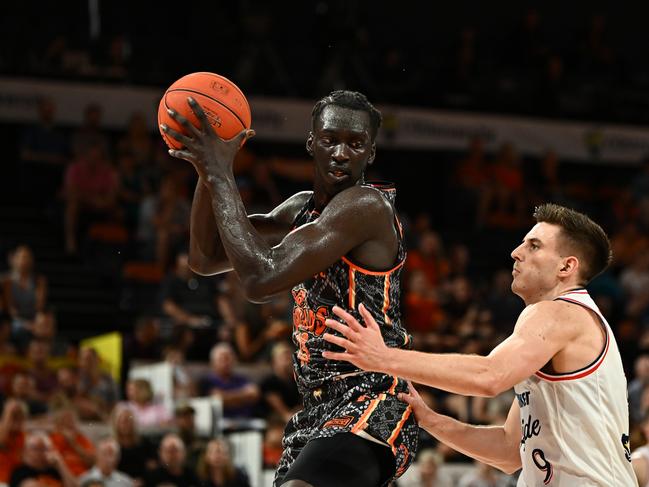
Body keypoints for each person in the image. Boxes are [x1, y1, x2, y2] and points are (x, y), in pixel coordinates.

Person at [161, 89, 418, 486]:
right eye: (330, 140)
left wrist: (220, 173)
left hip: (374, 402)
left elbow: (259, 279)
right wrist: (204, 169)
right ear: (311, 143)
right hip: (316, 413)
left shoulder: (366, 207)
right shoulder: (300, 209)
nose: (341, 153)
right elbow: (206, 256)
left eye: (355, 144)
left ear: (370, 154)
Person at [323, 203, 636, 486]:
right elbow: (508, 451)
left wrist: (383, 357)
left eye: (534, 245)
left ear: (566, 267)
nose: (516, 252)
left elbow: (489, 376)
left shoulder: (559, 312)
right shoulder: (563, 330)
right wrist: (431, 420)